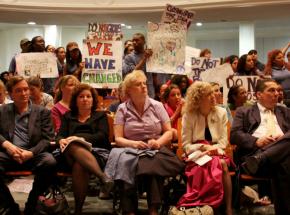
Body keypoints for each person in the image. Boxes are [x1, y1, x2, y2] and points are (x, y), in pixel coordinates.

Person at [105, 70, 184, 215]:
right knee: (129, 162)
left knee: (151, 160)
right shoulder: (122, 109)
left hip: (154, 147)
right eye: (138, 84)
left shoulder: (157, 105)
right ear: (129, 90)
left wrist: (158, 142)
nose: (144, 86)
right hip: (130, 148)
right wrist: (133, 144)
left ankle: (152, 209)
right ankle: (132, 210)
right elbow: (118, 138)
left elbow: (169, 132)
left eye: (144, 83)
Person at [230, 79, 290, 214]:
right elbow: (234, 135)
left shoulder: (285, 112)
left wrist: (280, 141)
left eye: (277, 90)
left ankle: (263, 157)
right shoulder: (244, 111)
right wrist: (256, 141)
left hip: (263, 160)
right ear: (258, 95)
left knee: (284, 158)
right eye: (271, 90)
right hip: (254, 154)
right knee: (285, 162)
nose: (276, 94)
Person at [0, 76, 56, 215]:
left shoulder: (42, 112)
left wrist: (30, 153)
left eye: (26, 89)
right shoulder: (2, 111)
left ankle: (32, 201)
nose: (24, 93)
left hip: (33, 154)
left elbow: (47, 139)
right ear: (11, 94)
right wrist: (7, 145)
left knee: (50, 162)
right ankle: (9, 205)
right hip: (9, 154)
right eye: (18, 90)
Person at [56, 83, 113, 215]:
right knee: (72, 144)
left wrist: (81, 139)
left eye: (88, 96)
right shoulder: (67, 116)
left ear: (93, 99)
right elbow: (60, 135)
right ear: (75, 100)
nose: (85, 99)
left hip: (95, 154)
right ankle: (103, 178)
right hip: (68, 154)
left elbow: (102, 136)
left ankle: (78, 210)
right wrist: (62, 140)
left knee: (80, 165)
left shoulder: (100, 116)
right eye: (81, 96)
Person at [178, 81, 233, 215]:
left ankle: (228, 207)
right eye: (209, 94)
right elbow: (186, 145)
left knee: (220, 164)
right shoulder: (188, 115)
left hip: (217, 151)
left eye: (213, 92)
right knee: (210, 164)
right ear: (198, 98)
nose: (214, 96)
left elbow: (223, 141)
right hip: (196, 153)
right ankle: (205, 205)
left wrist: (212, 149)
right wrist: (202, 147)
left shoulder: (221, 112)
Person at [122, 33, 155, 98]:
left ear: (144, 42)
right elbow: (132, 73)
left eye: (137, 40)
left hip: (150, 90)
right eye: (133, 40)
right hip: (136, 91)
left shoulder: (150, 55)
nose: (134, 42)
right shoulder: (129, 57)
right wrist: (144, 58)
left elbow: (154, 75)